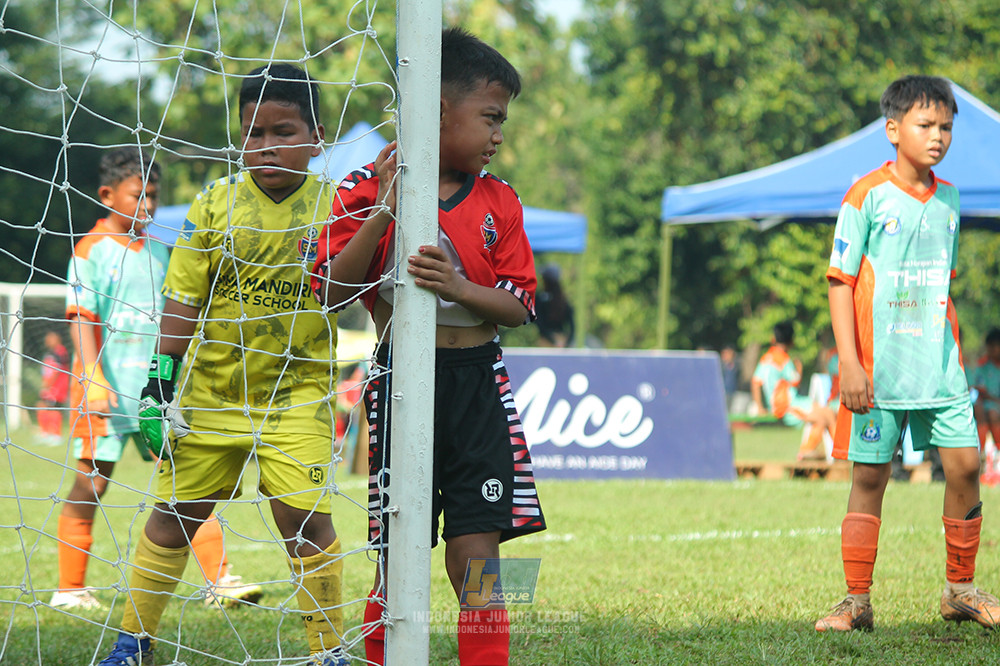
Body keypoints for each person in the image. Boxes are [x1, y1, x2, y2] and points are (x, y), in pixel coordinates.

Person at [97, 65, 347, 666]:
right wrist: (159, 386)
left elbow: (359, 289)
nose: (265, 146)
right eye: (253, 133)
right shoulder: (214, 205)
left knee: (302, 518)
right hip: (213, 392)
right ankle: (135, 641)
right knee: (172, 516)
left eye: (282, 131)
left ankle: (329, 651)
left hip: (297, 392)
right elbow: (181, 306)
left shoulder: (340, 206)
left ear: (317, 136)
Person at [312, 28, 546, 666]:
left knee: (481, 557)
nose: (500, 134)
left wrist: (463, 288)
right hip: (400, 382)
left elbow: (521, 306)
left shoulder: (501, 202)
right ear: (439, 109)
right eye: (491, 117)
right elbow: (329, 290)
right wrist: (386, 210)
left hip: (477, 383)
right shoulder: (367, 183)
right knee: (396, 553)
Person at [816, 75, 999, 632]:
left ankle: (960, 590)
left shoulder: (950, 200)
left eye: (945, 127)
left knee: (966, 465)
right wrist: (849, 361)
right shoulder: (865, 195)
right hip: (879, 371)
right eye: (926, 125)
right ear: (894, 130)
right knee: (870, 478)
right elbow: (840, 280)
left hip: (940, 366)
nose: (937, 136)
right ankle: (856, 602)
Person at [56, 147, 258, 612]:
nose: (148, 206)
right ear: (108, 195)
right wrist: (91, 376)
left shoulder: (161, 252)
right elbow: (82, 318)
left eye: (153, 196)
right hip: (105, 392)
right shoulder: (90, 251)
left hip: (154, 392)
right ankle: (69, 588)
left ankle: (220, 580)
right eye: (138, 196)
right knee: (92, 484)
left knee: (185, 481)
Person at [751, 321, 837, 461]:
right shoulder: (784, 360)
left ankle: (811, 451)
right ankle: (837, 452)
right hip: (787, 406)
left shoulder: (766, 358)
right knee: (827, 415)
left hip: (785, 403)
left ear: (773, 339)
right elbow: (795, 382)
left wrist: (760, 406)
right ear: (791, 341)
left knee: (824, 416)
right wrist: (799, 370)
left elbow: (755, 382)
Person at [36, 329, 70, 445]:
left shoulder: (59, 352)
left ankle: (56, 435)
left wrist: (47, 384)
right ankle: (45, 433)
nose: (48, 340)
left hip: (57, 387)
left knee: (54, 409)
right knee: (42, 406)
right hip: (50, 385)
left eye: (51, 338)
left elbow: (56, 371)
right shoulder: (50, 353)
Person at [970, 328, 1000, 450]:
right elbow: (980, 390)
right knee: (982, 410)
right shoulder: (982, 366)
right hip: (988, 404)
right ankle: (980, 451)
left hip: (995, 405)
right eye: (989, 346)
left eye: (995, 346)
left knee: (992, 413)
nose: (992, 350)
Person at [534, 263, 575, 347]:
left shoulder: (540, 299)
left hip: (546, 342)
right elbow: (572, 326)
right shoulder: (563, 300)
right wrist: (566, 342)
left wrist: (552, 340)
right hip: (561, 341)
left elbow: (539, 323)